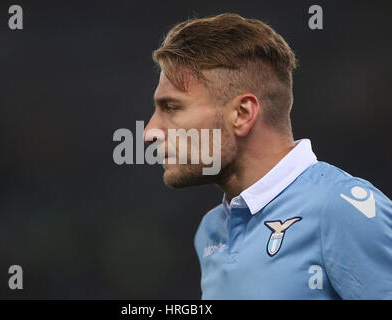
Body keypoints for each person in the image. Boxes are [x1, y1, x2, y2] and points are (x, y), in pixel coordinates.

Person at [144, 13, 392, 299]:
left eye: (171, 107)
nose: (149, 132)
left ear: (242, 113)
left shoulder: (341, 210)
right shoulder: (210, 232)